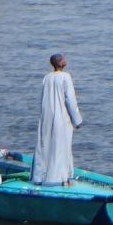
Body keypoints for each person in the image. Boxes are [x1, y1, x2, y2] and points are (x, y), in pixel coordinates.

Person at [32, 54, 83, 185]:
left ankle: (40, 176)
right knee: (61, 147)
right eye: (62, 59)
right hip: (61, 116)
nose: (65, 60)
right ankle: (63, 178)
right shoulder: (66, 77)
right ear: (59, 63)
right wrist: (77, 120)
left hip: (46, 116)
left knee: (45, 145)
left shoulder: (47, 77)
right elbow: (70, 100)